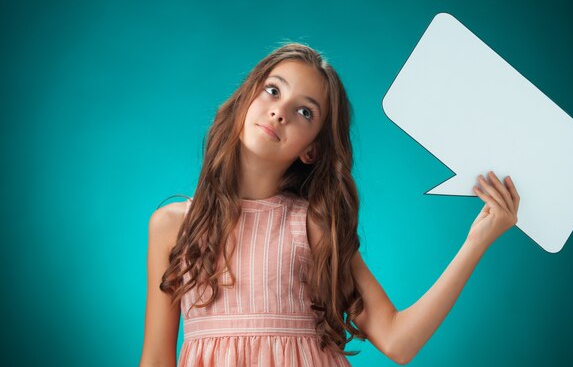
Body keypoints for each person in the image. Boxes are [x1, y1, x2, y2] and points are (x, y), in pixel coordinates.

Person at [138, 42, 520, 367]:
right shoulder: (172, 226)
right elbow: (155, 358)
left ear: (311, 150)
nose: (280, 111)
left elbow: (398, 340)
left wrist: (477, 241)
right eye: (273, 90)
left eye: (305, 112)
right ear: (245, 99)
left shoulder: (313, 225)